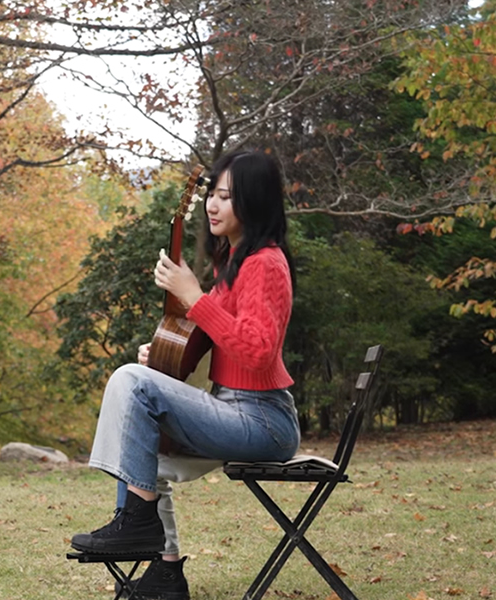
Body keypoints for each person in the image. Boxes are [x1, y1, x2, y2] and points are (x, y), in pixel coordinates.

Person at [70, 150, 299, 599]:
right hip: (235, 411)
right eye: (211, 193)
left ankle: (136, 525)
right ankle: (165, 575)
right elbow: (209, 338)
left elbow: (256, 351)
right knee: (142, 447)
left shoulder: (266, 264)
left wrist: (195, 297)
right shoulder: (233, 265)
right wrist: (160, 354)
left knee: (130, 381)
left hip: (264, 421)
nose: (212, 204)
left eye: (226, 196)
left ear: (254, 201)